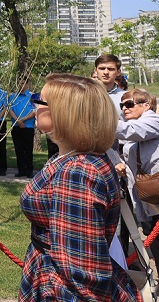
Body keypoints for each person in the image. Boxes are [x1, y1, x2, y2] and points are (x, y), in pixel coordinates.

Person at [20, 73, 139, 301]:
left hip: (60, 288)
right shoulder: (75, 156)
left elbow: (82, 273)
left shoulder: (78, 171)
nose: (33, 104)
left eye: (39, 99)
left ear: (64, 112)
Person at [113, 89, 159, 260]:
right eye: (122, 105)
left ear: (146, 105)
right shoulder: (137, 126)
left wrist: (97, 117)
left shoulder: (152, 121)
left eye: (129, 104)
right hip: (150, 197)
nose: (125, 108)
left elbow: (128, 131)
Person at [8, 76, 36, 178]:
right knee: (18, 149)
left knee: (28, 150)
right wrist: (18, 121)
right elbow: (9, 110)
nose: (21, 85)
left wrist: (23, 120)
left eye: (23, 83)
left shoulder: (34, 96)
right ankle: (20, 170)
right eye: (19, 83)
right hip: (16, 126)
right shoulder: (12, 96)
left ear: (27, 84)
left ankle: (29, 170)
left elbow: (34, 112)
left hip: (28, 127)